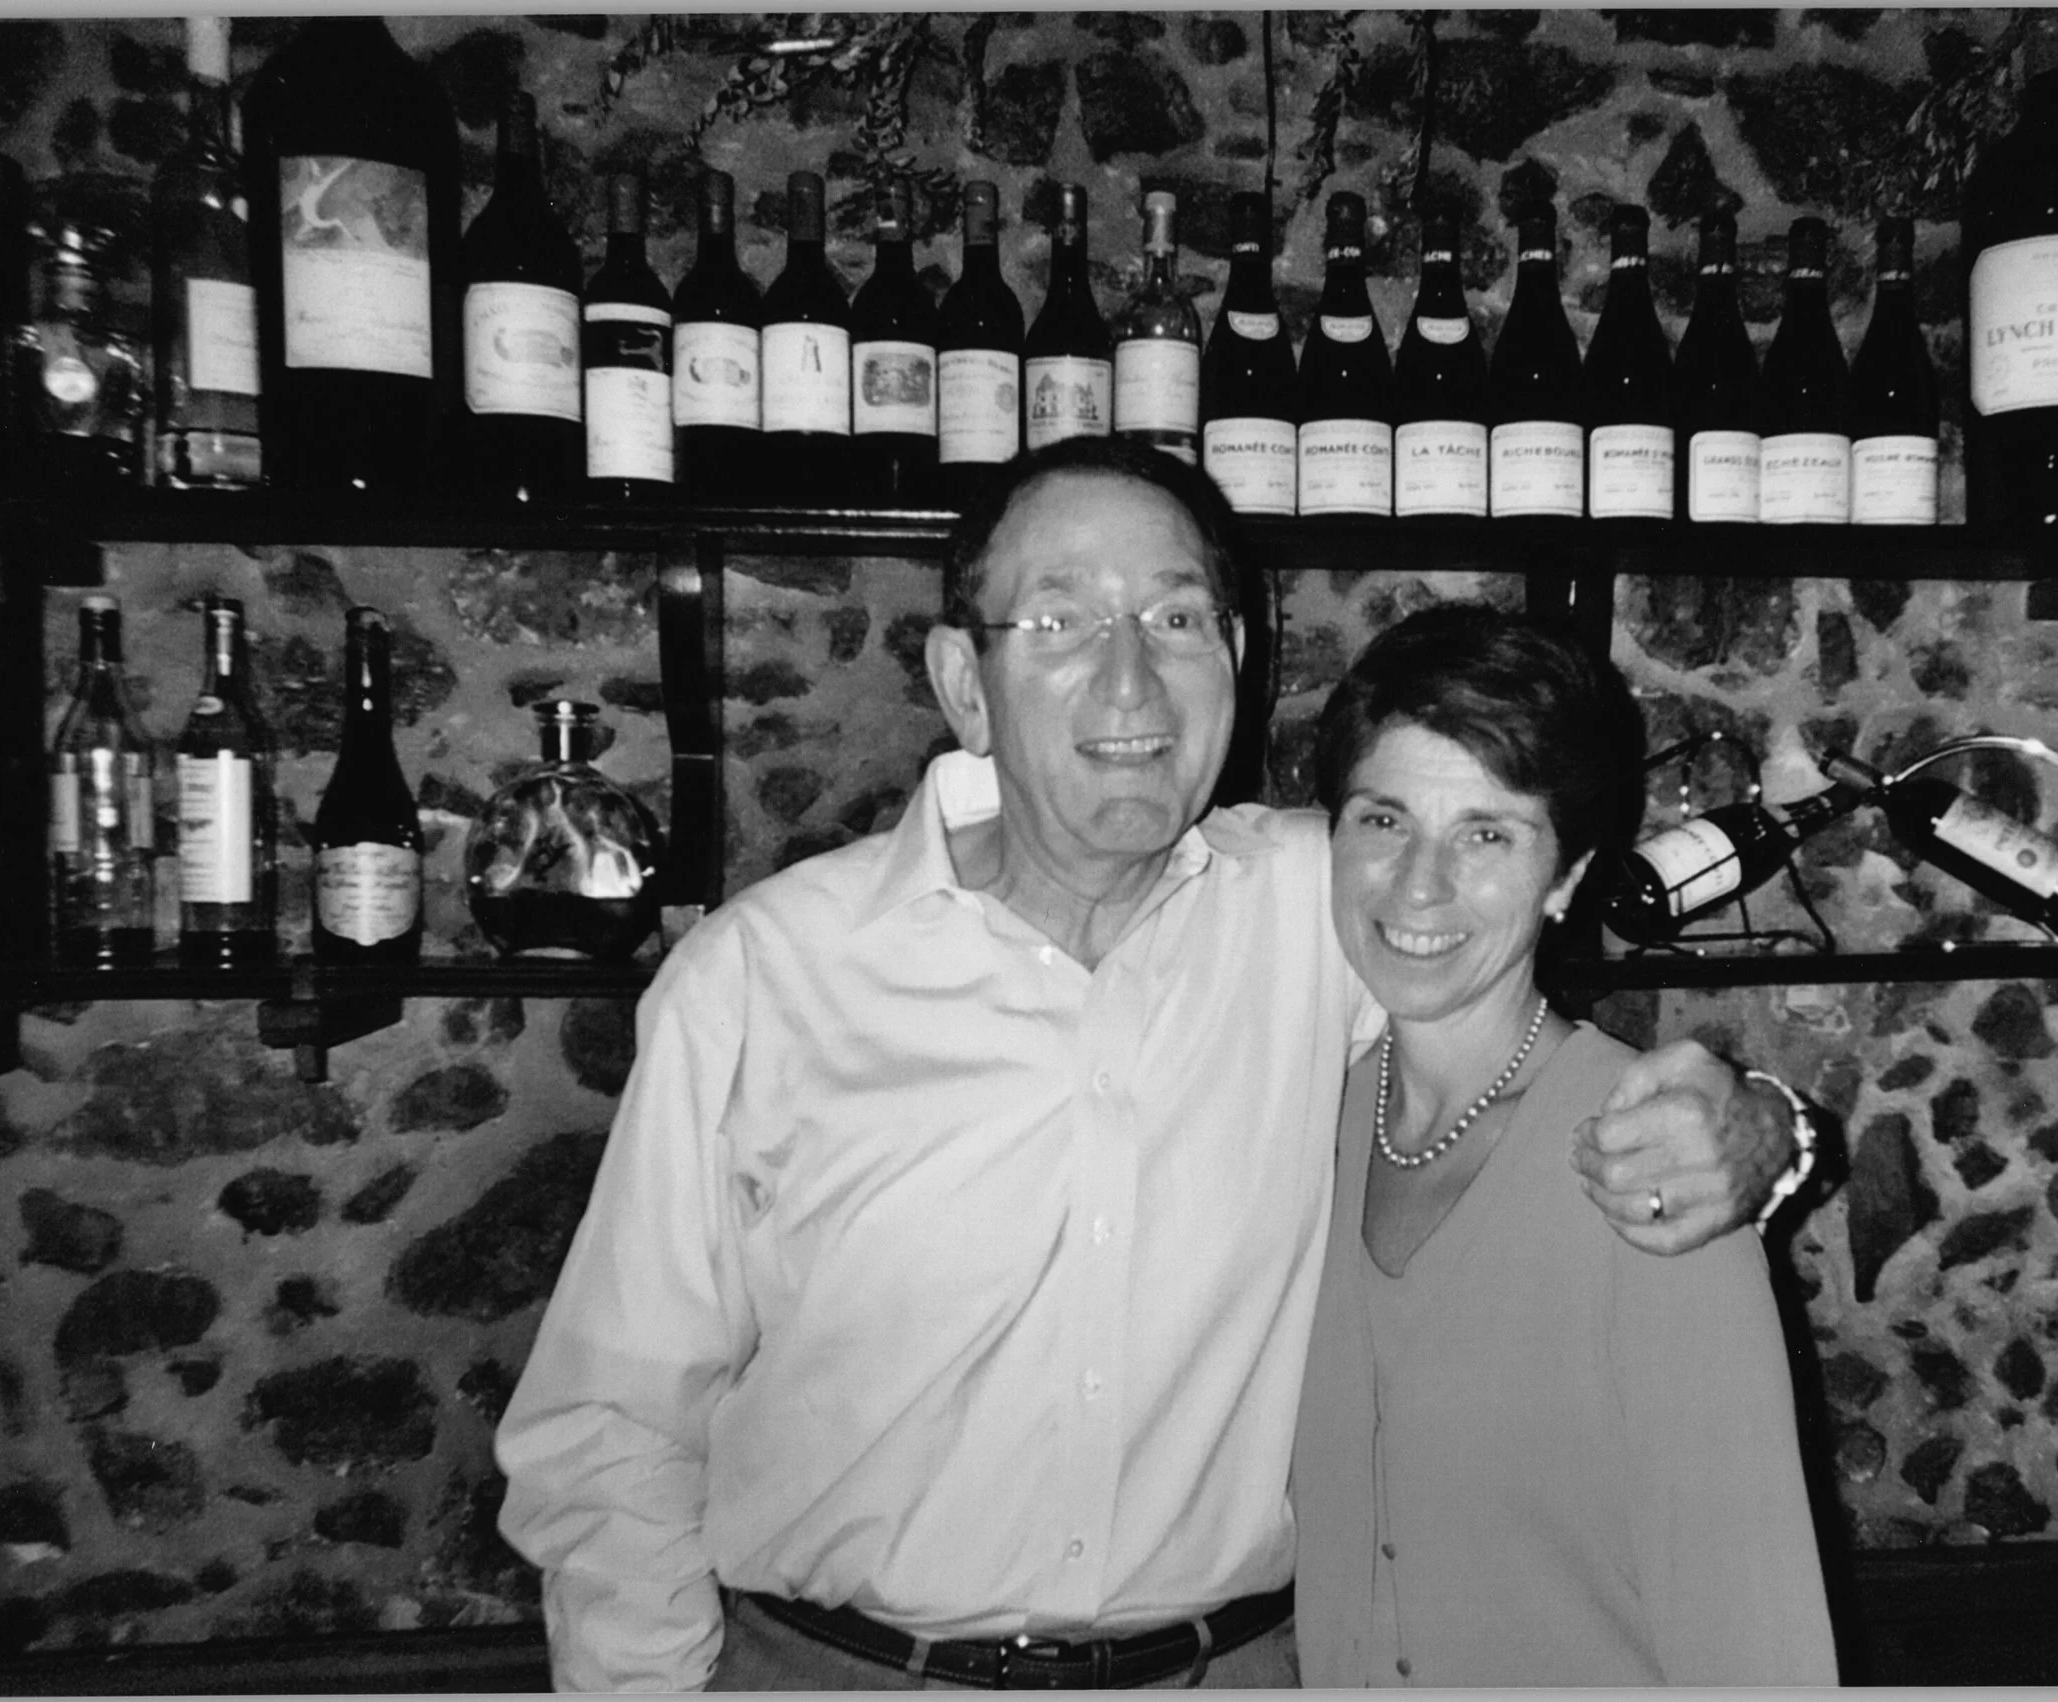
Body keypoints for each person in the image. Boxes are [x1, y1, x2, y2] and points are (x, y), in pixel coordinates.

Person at [494, 437, 1814, 1690]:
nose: (1129, 681)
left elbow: (1501, 983)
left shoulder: (1326, 902)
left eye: (1176, 618)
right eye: (1059, 620)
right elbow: (611, 1425)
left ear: (1232, 659)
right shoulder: (764, 978)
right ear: (965, 682)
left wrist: (1761, 1125)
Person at [1293, 604, 1836, 1687]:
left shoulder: (1651, 1168)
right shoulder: (1308, 1122)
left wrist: (1774, 1126)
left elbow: (1759, 1641)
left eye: (1487, 833)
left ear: (1566, 878)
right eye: (1384, 819)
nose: (1419, 884)